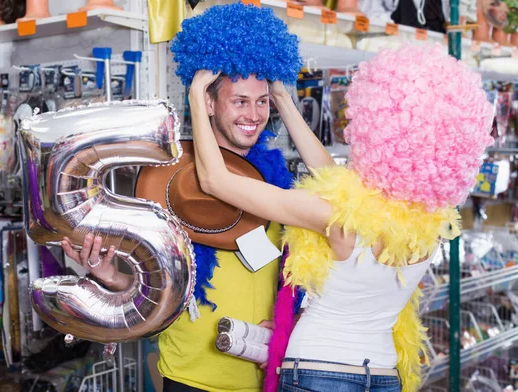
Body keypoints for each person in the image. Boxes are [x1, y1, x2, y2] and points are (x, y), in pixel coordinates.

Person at [189, 42, 494, 392]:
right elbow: (331, 177)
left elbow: (215, 180)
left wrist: (198, 95)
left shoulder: (335, 217)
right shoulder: (428, 225)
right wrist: (283, 100)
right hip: (382, 374)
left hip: (318, 369)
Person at [61, 2, 306, 392]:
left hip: (267, 376)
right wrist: (108, 275)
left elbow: (306, 278)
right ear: (208, 102)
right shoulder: (170, 184)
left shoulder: (278, 185)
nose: (254, 114)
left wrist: (290, 322)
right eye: (240, 100)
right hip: (190, 378)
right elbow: (152, 288)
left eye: (262, 102)